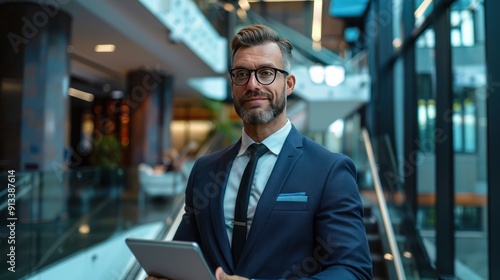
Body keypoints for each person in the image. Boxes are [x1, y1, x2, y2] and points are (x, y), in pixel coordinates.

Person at [147, 24, 373, 280]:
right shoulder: (205, 169)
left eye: (266, 73)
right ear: (233, 85)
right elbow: (183, 255)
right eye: (242, 74)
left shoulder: (329, 170)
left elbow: (353, 271)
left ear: (288, 84)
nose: (252, 84)